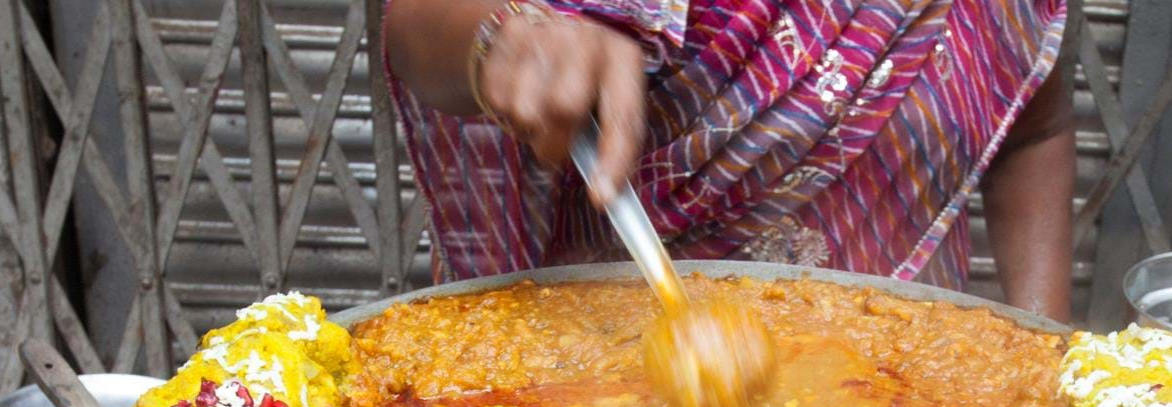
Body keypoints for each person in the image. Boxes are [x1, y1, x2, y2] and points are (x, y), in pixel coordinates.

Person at [385, 0, 1075, 321]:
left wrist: (1042, 364)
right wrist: (504, 39)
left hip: (903, 386)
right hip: (600, 364)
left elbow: (1034, 123)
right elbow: (417, 31)